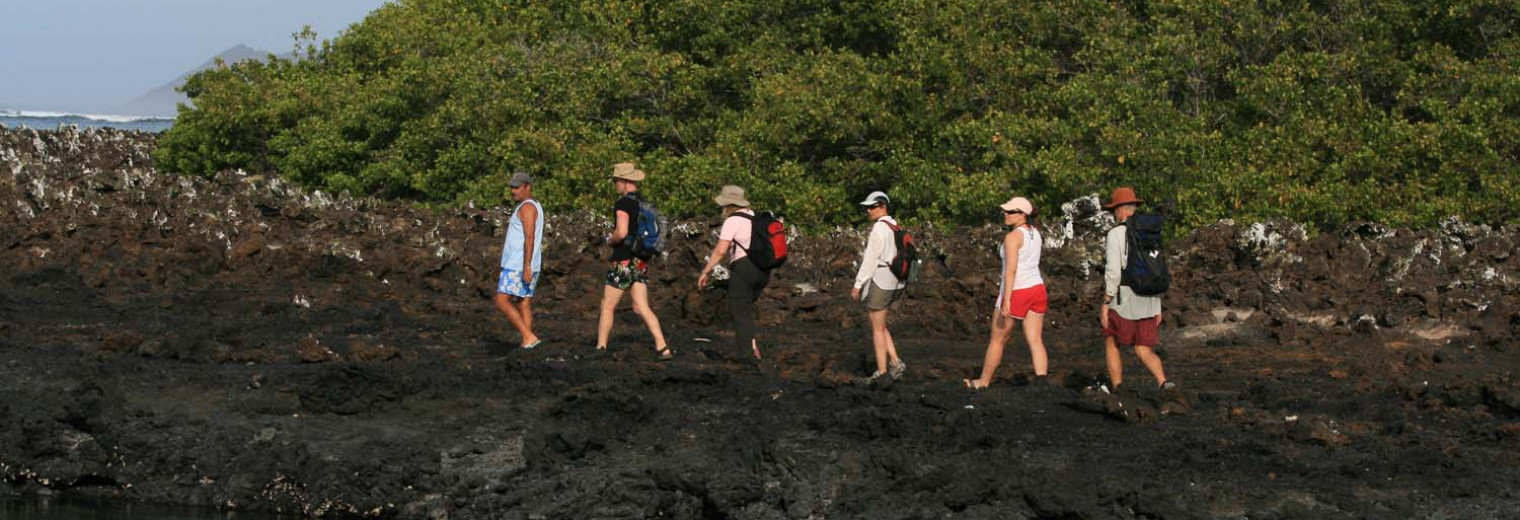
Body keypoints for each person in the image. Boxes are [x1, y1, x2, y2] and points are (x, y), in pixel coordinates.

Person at [966, 196, 1049, 389]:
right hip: (1037, 288)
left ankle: (983, 381)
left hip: (1018, 290)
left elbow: (1010, 270)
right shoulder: (1035, 233)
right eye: (1006, 211)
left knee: (997, 339)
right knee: (1036, 339)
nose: (1006, 214)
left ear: (1022, 215)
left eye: (1011, 211)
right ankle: (1042, 381)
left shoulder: (1012, 237)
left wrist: (1006, 300)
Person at [595, 162, 672, 359]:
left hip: (623, 260)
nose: (615, 185)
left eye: (616, 181)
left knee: (607, 305)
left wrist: (610, 240)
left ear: (624, 181)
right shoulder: (644, 204)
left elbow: (621, 232)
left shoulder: (623, 204)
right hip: (640, 260)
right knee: (640, 306)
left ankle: (601, 348)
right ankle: (662, 347)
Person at [1101, 187, 1171, 390]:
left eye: (1114, 209)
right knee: (1143, 349)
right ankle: (1164, 384)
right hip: (1149, 298)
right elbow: (1157, 269)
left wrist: (1106, 301)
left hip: (1125, 298)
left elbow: (1113, 272)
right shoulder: (1150, 234)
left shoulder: (1116, 234)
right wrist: (1157, 306)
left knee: (1112, 341)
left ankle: (1118, 388)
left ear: (1121, 209)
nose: (1114, 214)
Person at [697, 185, 769, 360]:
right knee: (745, 310)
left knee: (739, 312)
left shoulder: (732, 220)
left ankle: (747, 357)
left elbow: (721, 250)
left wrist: (706, 271)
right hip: (764, 270)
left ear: (727, 204)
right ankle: (752, 347)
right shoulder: (755, 217)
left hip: (744, 268)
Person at [851, 191, 907, 384]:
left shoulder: (878, 229)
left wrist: (858, 284)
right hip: (896, 282)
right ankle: (895, 361)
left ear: (883, 206)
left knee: (876, 328)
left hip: (882, 281)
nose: (869, 211)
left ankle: (882, 372)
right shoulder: (895, 226)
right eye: (868, 207)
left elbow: (870, 260)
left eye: (873, 206)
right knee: (881, 325)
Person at [494, 172, 544, 349]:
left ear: (527, 187)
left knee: (501, 300)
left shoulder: (527, 208)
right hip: (527, 263)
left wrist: (526, 266)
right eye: (512, 187)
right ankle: (527, 342)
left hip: (518, 264)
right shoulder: (532, 205)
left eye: (517, 187)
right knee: (524, 302)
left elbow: (529, 237)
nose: (513, 191)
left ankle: (528, 336)